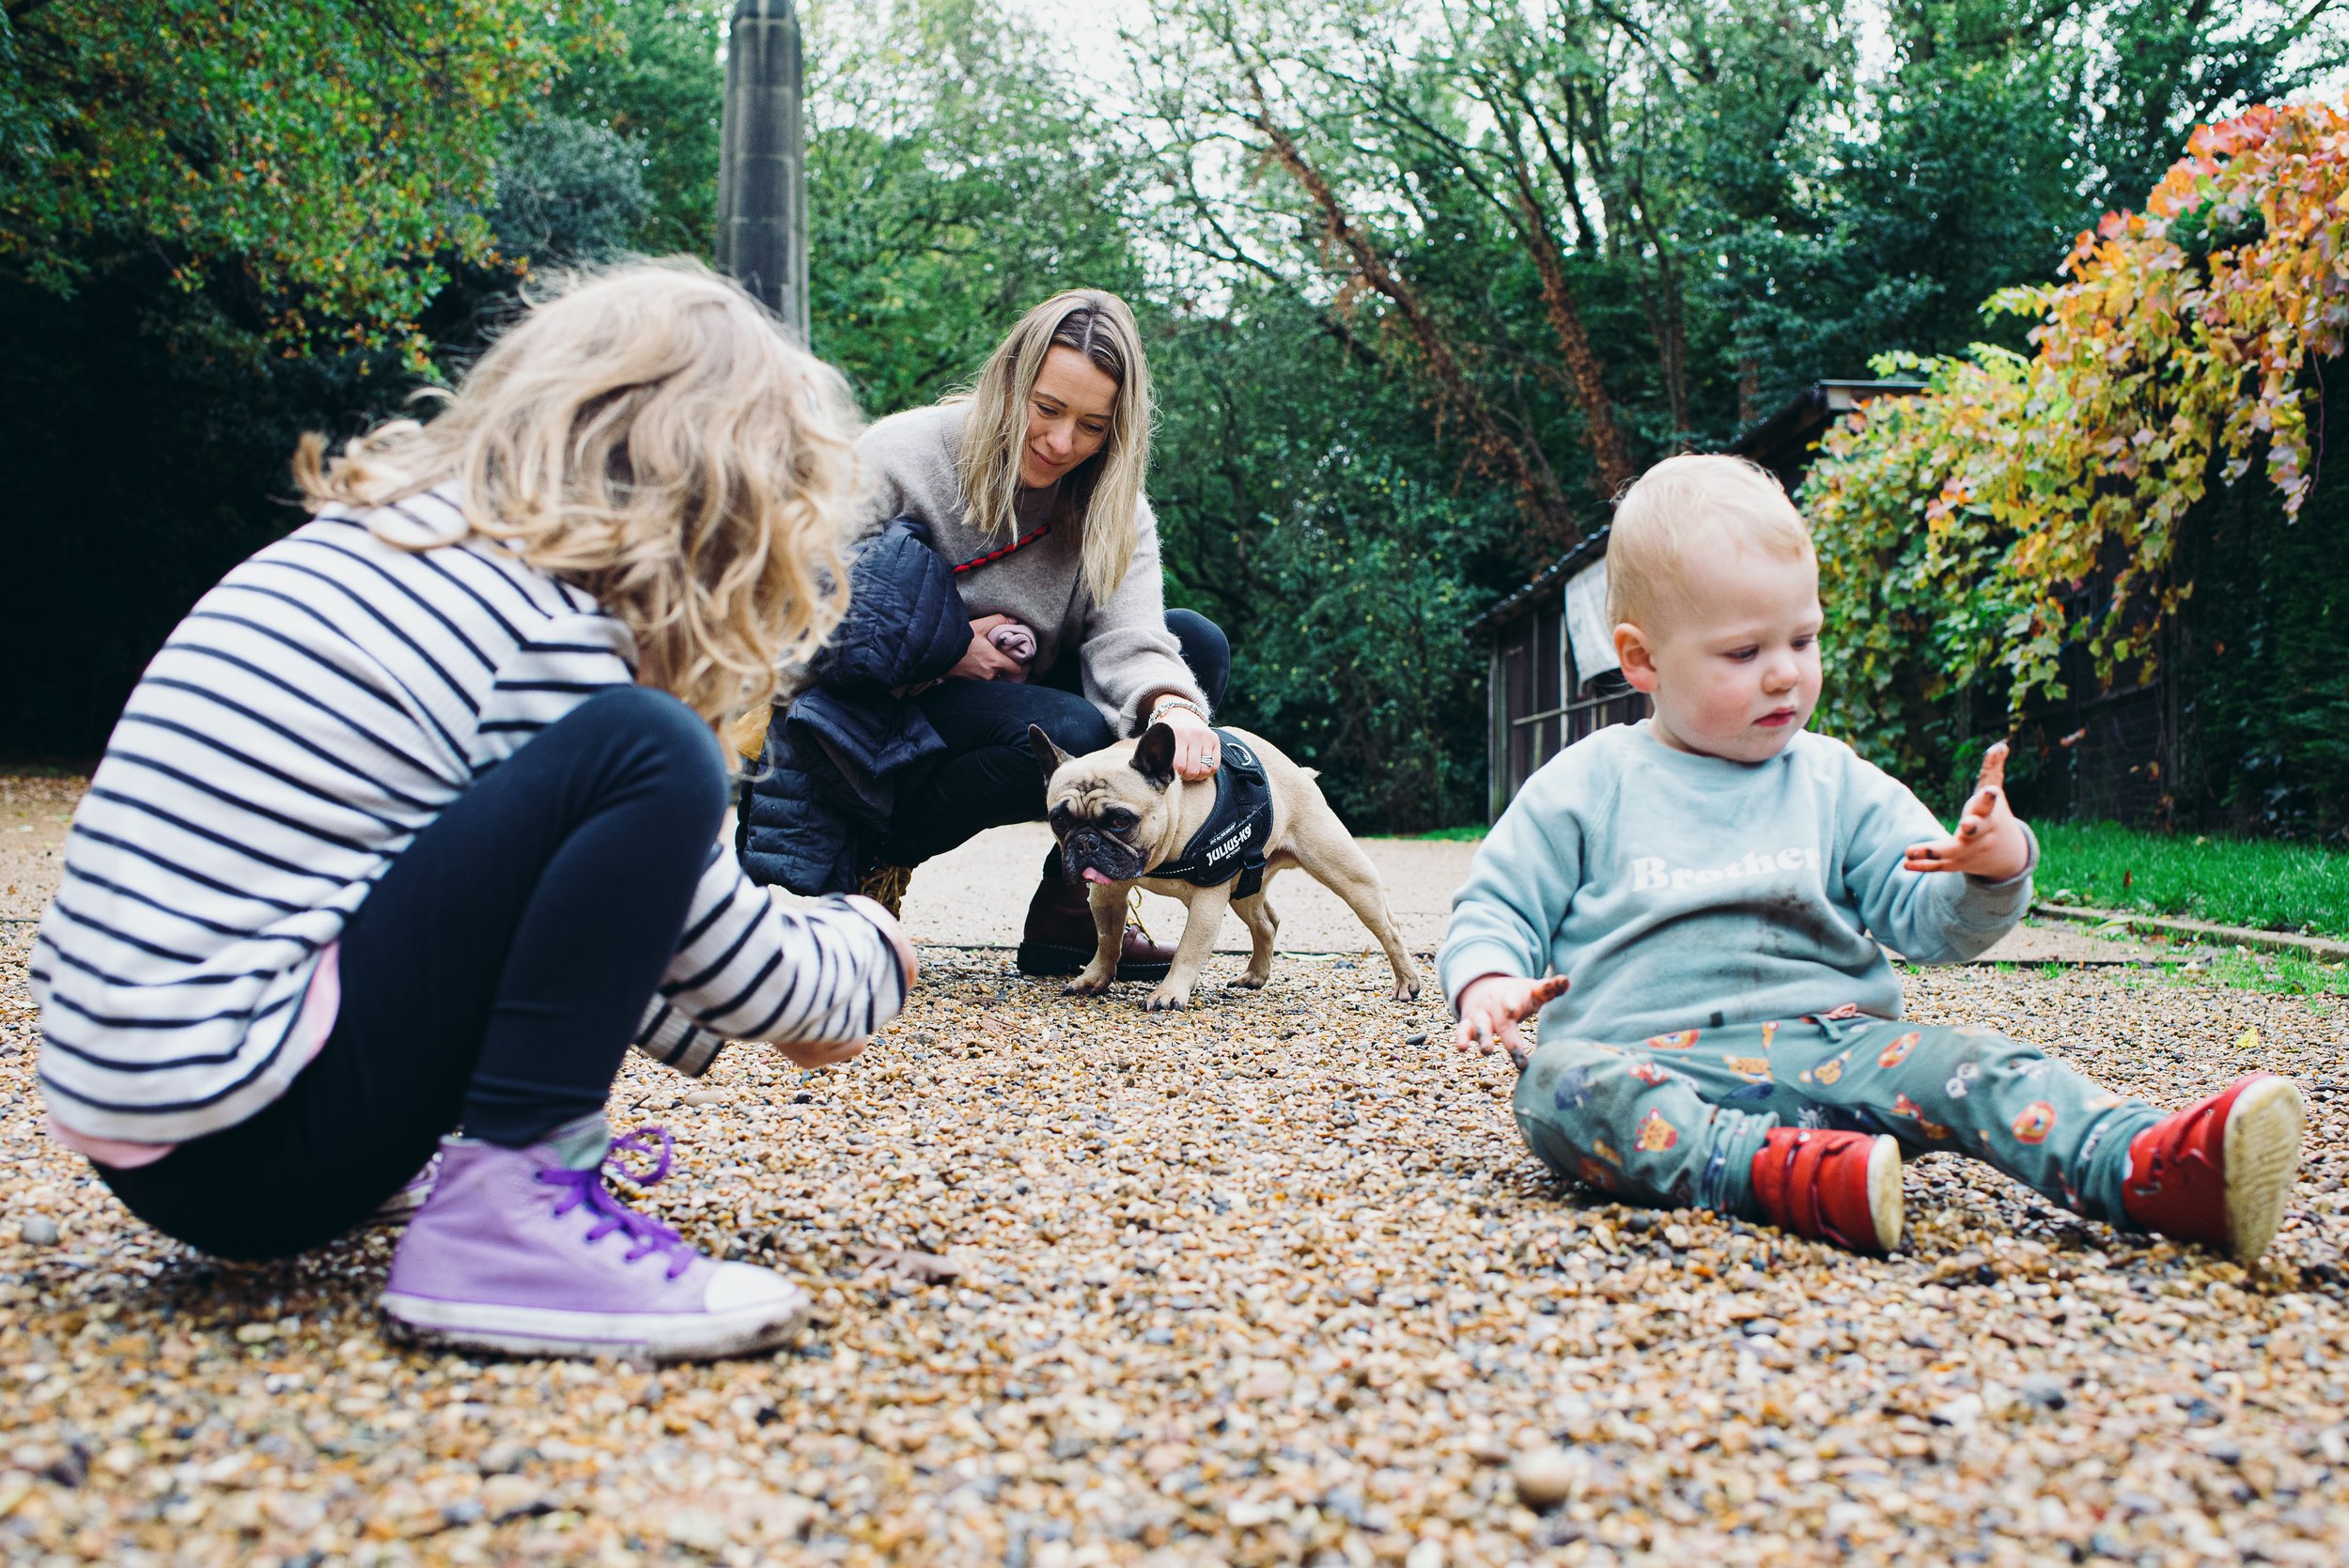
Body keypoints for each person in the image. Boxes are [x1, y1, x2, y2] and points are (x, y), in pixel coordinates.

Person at [30, 263, 916, 1361]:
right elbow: (736, 966)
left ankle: (462, 1186)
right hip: (245, 1139)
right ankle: (508, 1228)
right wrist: (863, 959)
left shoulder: (402, 550)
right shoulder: (544, 623)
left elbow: (551, 905)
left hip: (151, 1117)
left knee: (623, 759)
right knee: (655, 751)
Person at [1441, 455, 2306, 1262]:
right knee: (1557, 1086)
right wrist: (1488, 979)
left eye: (1803, 639)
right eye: (1745, 652)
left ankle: (2149, 1167)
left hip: (1841, 1052)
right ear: (1641, 658)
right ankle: (1787, 1177)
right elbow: (1497, 906)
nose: (1786, 674)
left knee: (1983, 1064)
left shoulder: (1835, 781)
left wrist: (1989, 868)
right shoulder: (1589, 783)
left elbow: (1928, 922)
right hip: (1661, 1069)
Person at [738, 289, 1226, 982]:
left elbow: (1132, 636)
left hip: (1014, 702)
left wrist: (1172, 707)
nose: (1062, 444)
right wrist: (947, 647)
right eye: (1048, 409)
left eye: (1092, 426)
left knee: (1195, 647)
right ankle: (882, 849)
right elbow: (796, 615)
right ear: (1008, 382)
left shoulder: (1113, 503)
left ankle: (1075, 913)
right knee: (1074, 726)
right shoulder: (901, 454)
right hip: (885, 725)